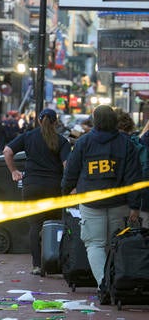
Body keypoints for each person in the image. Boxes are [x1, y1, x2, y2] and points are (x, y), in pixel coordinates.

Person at [61, 105, 142, 291]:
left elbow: (71, 171)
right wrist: (134, 206)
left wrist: (65, 193)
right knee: (115, 244)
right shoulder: (126, 143)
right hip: (119, 202)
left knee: (95, 244)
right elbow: (133, 178)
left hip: (91, 203)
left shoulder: (83, 142)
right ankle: (115, 283)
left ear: (95, 120)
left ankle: (104, 285)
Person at [3, 108, 71, 275]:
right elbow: (67, 166)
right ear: (55, 122)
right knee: (54, 224)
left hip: (31, 186)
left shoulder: (28, 136)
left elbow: (7, 151)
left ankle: (37, 265)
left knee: (35, 225)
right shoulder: (61, 141)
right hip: (53, 187)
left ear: (39, 121)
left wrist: (14, 171)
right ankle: (53, 262)